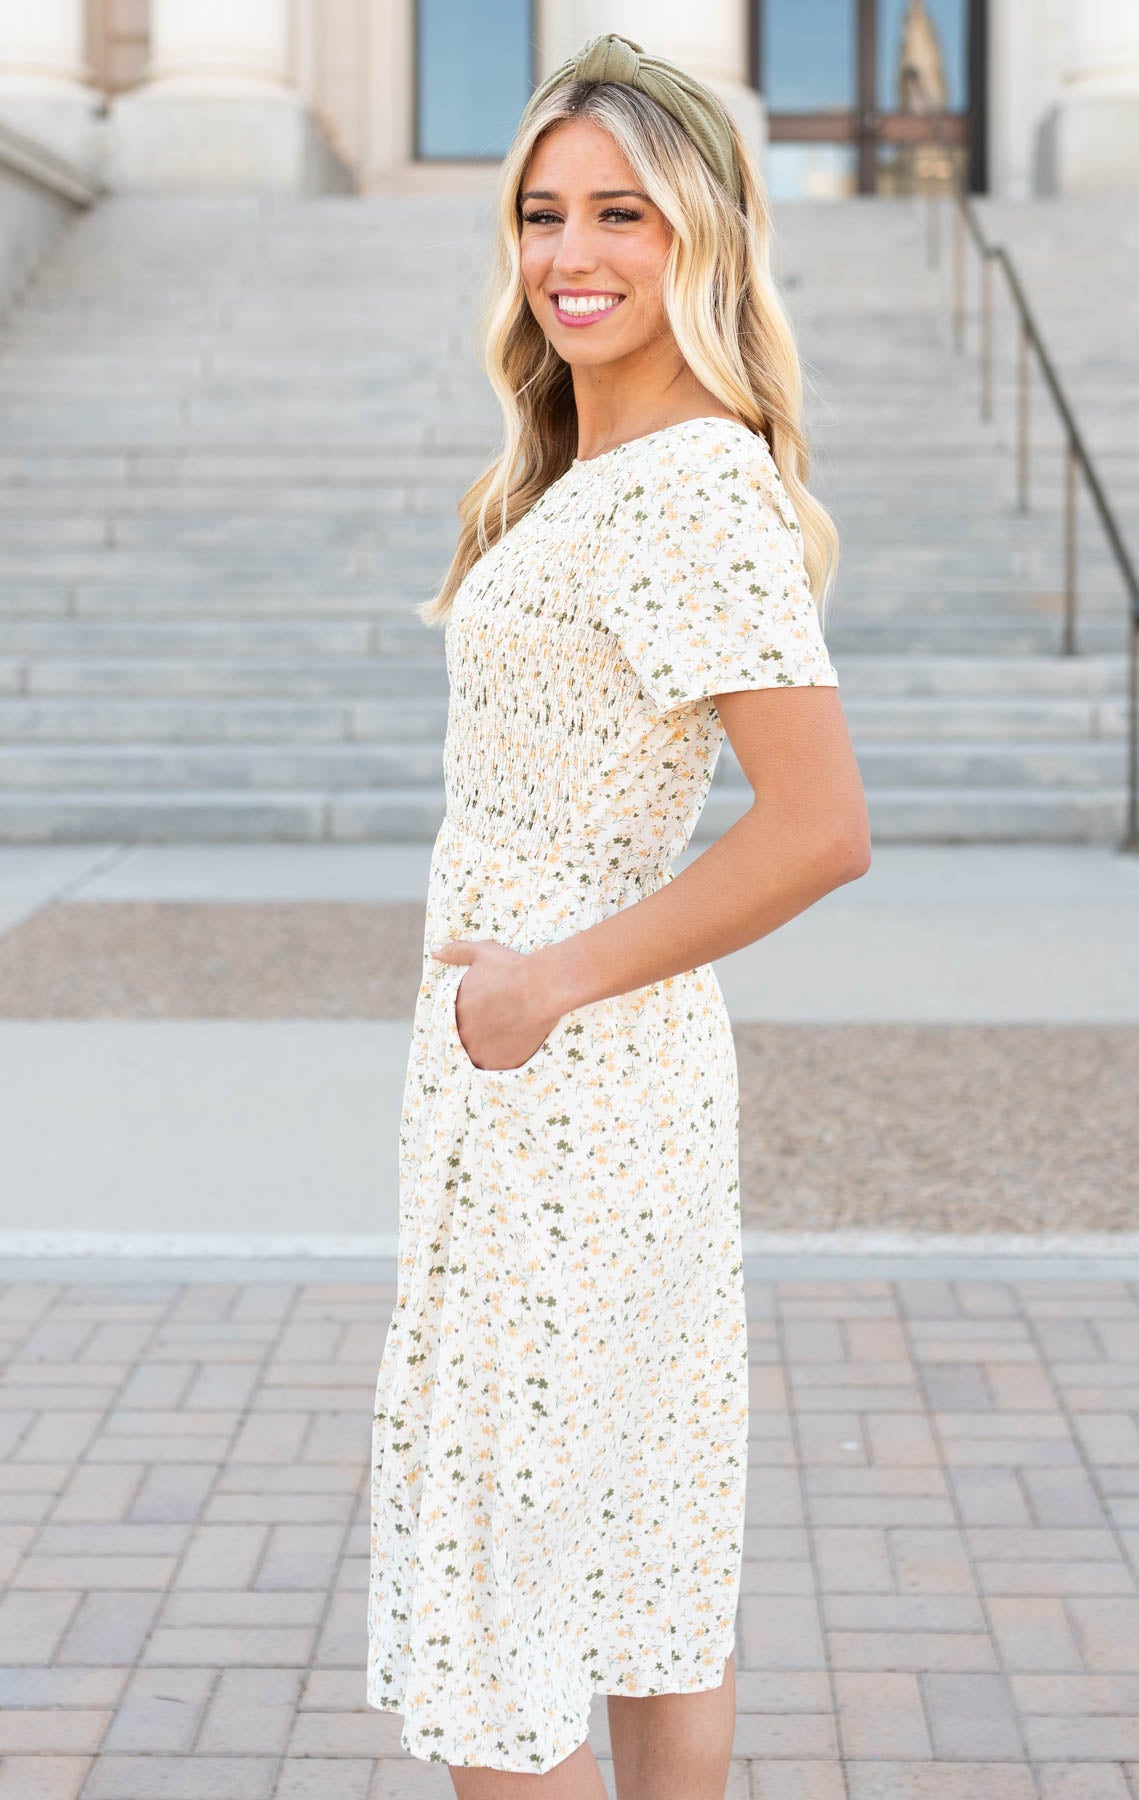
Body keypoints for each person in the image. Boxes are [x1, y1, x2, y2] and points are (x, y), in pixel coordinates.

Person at [367, 31, 871, 1799]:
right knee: (641, 1556)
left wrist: (546, 986)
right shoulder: (602, 468)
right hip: (573, 1079)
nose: (571, 254)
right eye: (538, 214)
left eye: (623, 217)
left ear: (706, 237)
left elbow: (817, 829)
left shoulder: (685, 489)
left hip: (567, 1082)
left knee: (501, 1608)